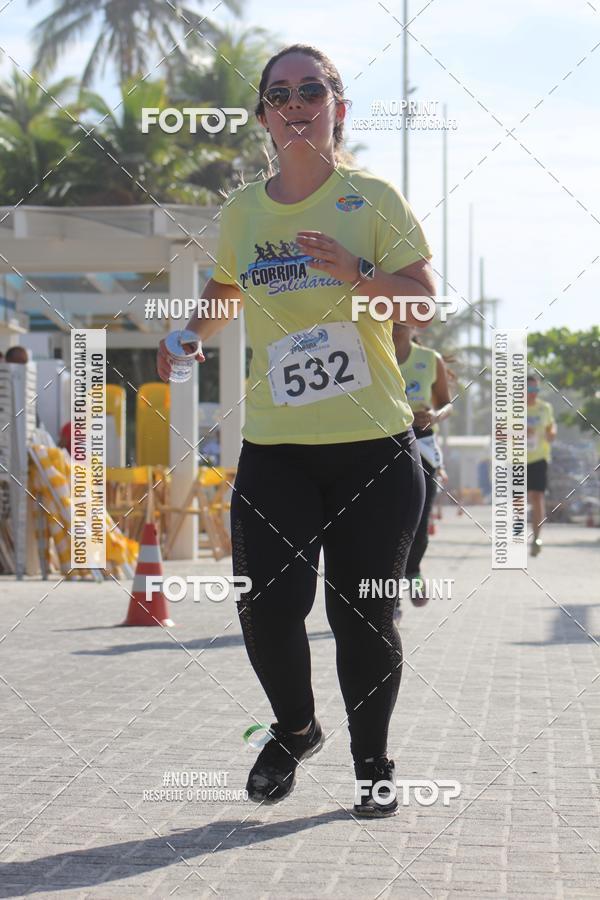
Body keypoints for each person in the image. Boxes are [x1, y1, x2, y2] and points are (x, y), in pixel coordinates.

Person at [157, 43, 435, 817]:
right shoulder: (244, 211)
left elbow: (418, 305)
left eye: (311, 87)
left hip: (373, 449)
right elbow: (224, 290)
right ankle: (296, 728)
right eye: (279, 92)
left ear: (337, 106)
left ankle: (372, 765)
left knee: (360, 612)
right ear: (265, 118)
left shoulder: (372, 197)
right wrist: (188, 335)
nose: (296, 100)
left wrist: (355, 273)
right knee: (266, 605)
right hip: (277, 448)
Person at [392, 326, 452, 612]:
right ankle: (389, 600)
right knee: (383, 526)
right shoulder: (370, 351)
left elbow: (446, 403)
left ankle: (413, 570)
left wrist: (434, 416)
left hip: (422, 445)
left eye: (401, 316)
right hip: (381, 442)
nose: (394, 323)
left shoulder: (430, 359)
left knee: (417, 522)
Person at [527, 372, 556, 555]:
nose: (533, 392)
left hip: (539, 458)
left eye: (536, 388)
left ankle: (537, 537)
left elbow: (551, 426)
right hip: (516, 460)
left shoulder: (545, 408)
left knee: (537, 497)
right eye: (529, 388)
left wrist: (552, 432)